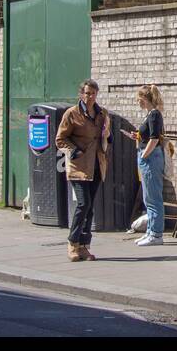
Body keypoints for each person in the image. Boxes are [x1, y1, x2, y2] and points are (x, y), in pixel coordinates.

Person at [56, 80, 110, 262]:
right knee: (83, 204)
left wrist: (107, 140)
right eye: (87, 93)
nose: (90, 97)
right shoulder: (72, 114)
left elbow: (105, 134)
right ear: (81, 94)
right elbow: (60, 139)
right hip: (79, 166)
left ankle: (85, 246)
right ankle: (72, 243)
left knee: (90, 208)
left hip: (96, 164)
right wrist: (73, 150)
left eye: (93, 93)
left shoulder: (102, 114)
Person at [131, 84, 168, 247]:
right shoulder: (149, 115)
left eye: (139, 99)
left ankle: (156, 234)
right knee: (148, 197)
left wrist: (144, 155)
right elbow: (148, 136)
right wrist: (137, 136)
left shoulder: (154, 115)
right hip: (147, 156)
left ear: (145, 99)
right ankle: (150, 231)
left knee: (154, 198)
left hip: (151, 158)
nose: (138, 102)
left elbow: (154, 139)